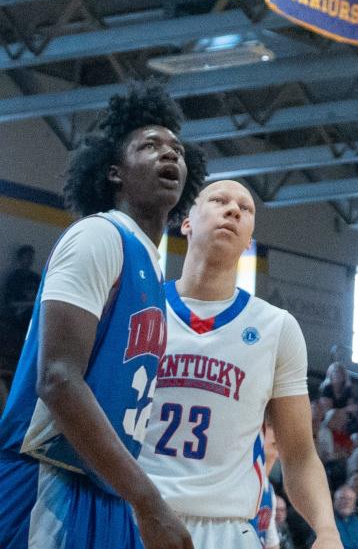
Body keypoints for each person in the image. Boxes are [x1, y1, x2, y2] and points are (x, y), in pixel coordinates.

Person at [0, 83, 207, 549]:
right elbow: (57, 378)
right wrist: (150, 503)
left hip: (106, 489)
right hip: (46, 482)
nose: (168, 155)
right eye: (149, 146)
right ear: (115, 172)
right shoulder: (98, 236)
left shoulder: (153, 271)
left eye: (176, 149)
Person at [140, 178, 338, 549]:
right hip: (140, 513)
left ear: (249, 240)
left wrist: (326, 529)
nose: (232, 209)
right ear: (186, 221)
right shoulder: (139, 308)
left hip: (226, 527)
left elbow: (298, 454)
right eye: (218, 200)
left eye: (245, 208)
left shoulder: (276, 328)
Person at [2, 248, 40, 348]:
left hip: (36, 309)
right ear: (20, 258)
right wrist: (30, 304)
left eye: (31, 257)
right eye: (26, 257)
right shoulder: (14, 278)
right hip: (19, 312)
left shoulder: (35, 278)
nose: (29, 260)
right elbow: (10, 303)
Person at [332, 485, 358, 549]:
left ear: (354, 504)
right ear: (334, 501)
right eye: (342, 498)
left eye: (350, 499)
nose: (347, 502)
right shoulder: (326, 521)